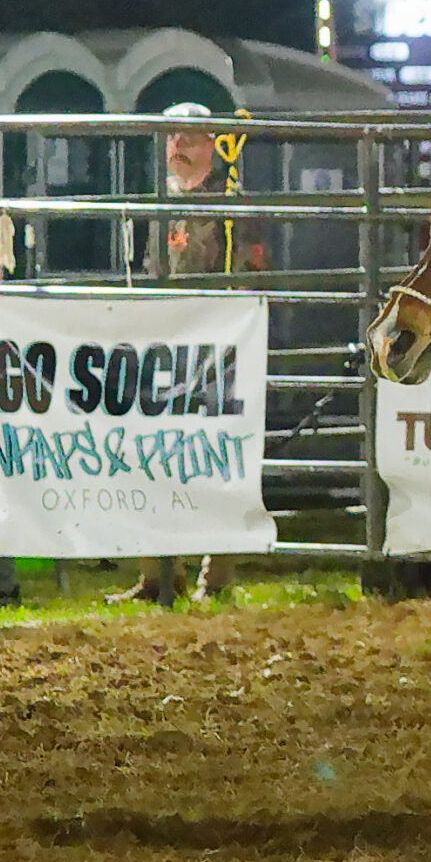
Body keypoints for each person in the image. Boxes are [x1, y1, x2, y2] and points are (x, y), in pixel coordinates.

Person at [133, 103, 262, 604]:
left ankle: (216, 574)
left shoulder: (231, 202)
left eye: (188, 137)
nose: (177, 146)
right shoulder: (163, 203)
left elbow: (251, 271)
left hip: (218, 343)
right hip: (167, 343)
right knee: (156, 451)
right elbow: (152, 268)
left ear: (211, 143)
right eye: (171, 137)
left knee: (218, 453)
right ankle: (160, 572)